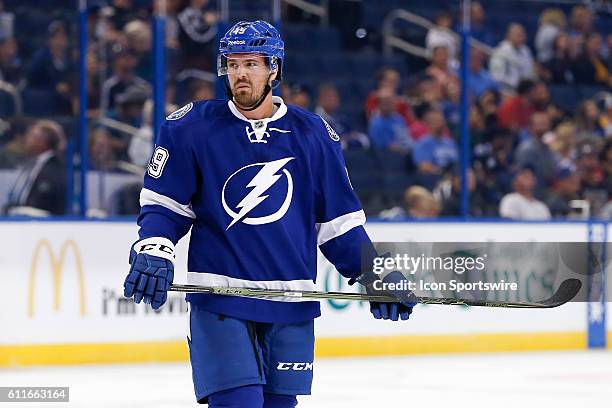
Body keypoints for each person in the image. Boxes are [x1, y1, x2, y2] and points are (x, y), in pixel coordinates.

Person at [122, 20, 417, 407]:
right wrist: (155, 248)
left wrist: (374, 271)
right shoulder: (191, 128)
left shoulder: (313, 134)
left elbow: (338, 226)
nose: (240, 74)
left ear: (273, 69)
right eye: (232, 64)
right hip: (221, 299)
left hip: (291, 303)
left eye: (251, 64)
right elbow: (164, 205)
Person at [4, 120, 66, 216]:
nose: (26, 139)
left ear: (41, 142)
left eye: (31, 136)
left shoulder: (56, 168)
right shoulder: (32, 163)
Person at [489, 23, 536, 91]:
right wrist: (517, 84)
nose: (521, 37)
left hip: (525, 90)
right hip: (506, 90)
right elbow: (497, 76)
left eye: (522, 34)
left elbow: (530, 72)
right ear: (508, 36)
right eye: (518, 35)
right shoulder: (499, 52)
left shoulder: (526, 50)